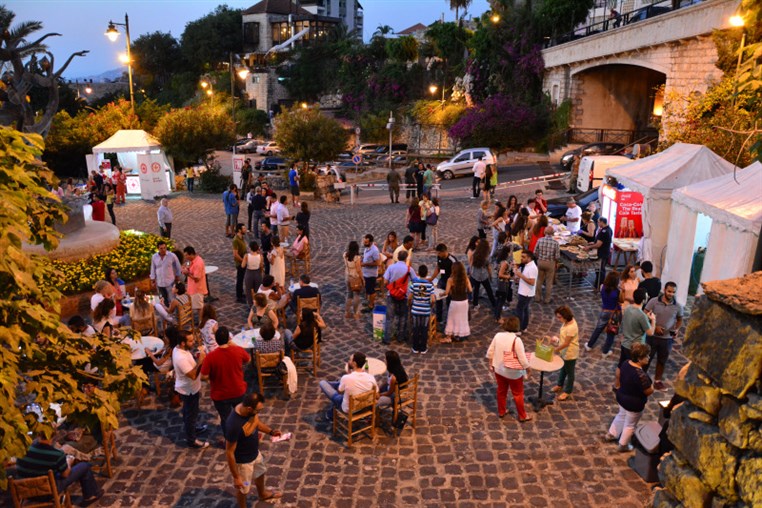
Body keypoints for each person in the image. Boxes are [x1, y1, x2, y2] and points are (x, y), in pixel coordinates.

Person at [225, 393, 283, 506]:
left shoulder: (249, 412)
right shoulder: (234, 425)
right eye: (258, 410)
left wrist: (270, 431)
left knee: (260, 472)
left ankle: (262, 494)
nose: (259, 413)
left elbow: (256, 423)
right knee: (244, 488)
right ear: (249, 409)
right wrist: (236, 477)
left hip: (255, 454)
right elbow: (229, 452)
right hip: (244, 464)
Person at [16, 432, 104, 506]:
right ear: (53, 436)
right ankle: (90, 496)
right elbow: (65, 474)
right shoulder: (56, 454)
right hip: (47, 492)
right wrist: (69, 462)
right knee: (84, 466)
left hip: (24, 491)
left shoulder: (24, 449)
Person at [199, 326, 250, 440]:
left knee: (226, 418)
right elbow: (248, 359)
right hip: (238, 390)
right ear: (228, 338)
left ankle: (230, 440)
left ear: (216, 340)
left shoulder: (211, 357)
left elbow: (203, 377)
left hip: (220, 394)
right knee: (242, 415)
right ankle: (245, 436)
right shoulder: (238, 350)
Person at [607, 343, 653, 452]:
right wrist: (652, 385)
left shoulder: (626, 363)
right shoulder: (641, 375)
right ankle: (623, 445)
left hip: (622, 397)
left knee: (621, 415)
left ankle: (611, 434)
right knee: (630, 425)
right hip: (633, 403)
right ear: (639, 359)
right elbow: (648, 391)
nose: (649, 358)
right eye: (646, 356)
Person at [486, 316, 533, 422]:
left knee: (501, 391)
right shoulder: (517, 340)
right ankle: (522, 415)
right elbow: (522, 358)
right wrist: (528, 369)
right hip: (513, 373)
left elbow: (490, 351)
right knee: (518, 393)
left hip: (499, 370)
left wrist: (490, 364)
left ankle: (501, 411)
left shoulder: (498, 335)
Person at [172, 329, 209, 448]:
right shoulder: (180, 358)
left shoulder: (179, 349)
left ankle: (192, 429)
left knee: (189, 412)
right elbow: (193, 375)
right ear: (183, 343)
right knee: (191, 415)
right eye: (190, 341)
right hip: (189, 390)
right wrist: (201, 361)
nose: (193, 343)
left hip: (189, 387)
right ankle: (192, 440)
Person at [644, 282, 683, 391]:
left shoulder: (677, 306)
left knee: (662, 360)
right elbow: (644, 313)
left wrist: (676, 329)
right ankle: (641, 378)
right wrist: (654, 326)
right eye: (669, 291)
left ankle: (657, 381)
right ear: (664, 290)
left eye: (673, 292)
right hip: (652, 336)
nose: (671, 294)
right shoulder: (654, 301)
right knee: (647, 358)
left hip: (667, 339)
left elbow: (680, 319)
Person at [319, 352, 378, 420]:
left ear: (354, 363)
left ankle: (331, 415)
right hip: (363, 407)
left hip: (348, 408)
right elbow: (377, 395)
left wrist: (347, 378)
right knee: (340, 382)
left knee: (322, 383)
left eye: (350, 360)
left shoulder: (346, 378)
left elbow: (339, 391)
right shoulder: (371, 377)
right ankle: (330, 414)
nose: (348, 361)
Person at [617, 288, 656, 387]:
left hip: (625, 343)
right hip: (636, 347)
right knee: (633, 370)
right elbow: (650, 332)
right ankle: (628, 387)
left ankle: (616, 385)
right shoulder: (641, 315)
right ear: (644, 300)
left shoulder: (628, 308)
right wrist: (653, 320)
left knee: (620, 366)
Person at [585, 271, 621, 356]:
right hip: (614, 314)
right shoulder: (617, 291)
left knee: (598, 329)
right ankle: (605, 351)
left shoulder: (602, 287)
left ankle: (590, 345)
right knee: (611, 332)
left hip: (604, 311)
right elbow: (620, 301)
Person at [383, 250, 415, 345]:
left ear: (397, 257)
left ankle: (387, 338)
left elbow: (385, 282)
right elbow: (415, 280)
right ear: (405, 259)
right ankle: (400, 337)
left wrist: (391, 288)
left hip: (391, 295)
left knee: (390, 318)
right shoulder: (409, 269)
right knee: (403, 317)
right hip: (404, 296)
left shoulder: (391, 267)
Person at [551, 305, 579, 400]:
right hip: (564, 351)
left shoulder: (571, 327)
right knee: (563, 369)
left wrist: (555, 350)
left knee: (570, 373)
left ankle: (567, 391)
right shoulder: (567, 322)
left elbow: (567, 343)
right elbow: (564, 339)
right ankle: (559, 385)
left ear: (565, 316)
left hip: (570, 353)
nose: (558, 319)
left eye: (559, 317)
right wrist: (557, 340)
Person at [468, 238, 498, 317]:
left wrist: (471, 272)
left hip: (475, 274)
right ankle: (494, 304)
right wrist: (490, 275)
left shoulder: (475, 253)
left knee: (476, 289)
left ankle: (475, 304)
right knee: (489, 290)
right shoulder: (486, 256)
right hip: (483, 275)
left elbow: (471, 263)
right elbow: (488, 267)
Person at [410, 264, 435, 354]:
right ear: (427, 273)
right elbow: (432, 299)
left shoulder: (414, 284)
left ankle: (415, 347)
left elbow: (410, 297)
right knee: (424, 328)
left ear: (418, 274)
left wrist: (411, 304)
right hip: (425, 310)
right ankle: (423, 347)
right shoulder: (430, 285)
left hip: (416, 309)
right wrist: (431, 306)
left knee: (416, 328)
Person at [444, 261, 472, 342]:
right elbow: (470, 289)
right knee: (462, 318)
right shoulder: (466, 278)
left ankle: (449, 336)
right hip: (464, 302)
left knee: (451, 318)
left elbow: (446, 292)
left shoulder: (450, 280)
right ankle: (461, 334)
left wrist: (442, 293)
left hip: (455, 302)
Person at [534, 227, 560, 304]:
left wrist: (540, 257)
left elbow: (535, 252)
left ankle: (537, 297)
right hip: (550, 263)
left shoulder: (540, 240)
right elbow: (557, 256)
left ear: (545, 232)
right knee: (549, 281)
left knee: (539, 280)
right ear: (552, 233)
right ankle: (547, 299)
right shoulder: (555, 242)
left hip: (540, 262)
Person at [150, 241, 182, 305]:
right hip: (159, 283)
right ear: (158, 249)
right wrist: (152, 279)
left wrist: (177, 276)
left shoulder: (172, 256)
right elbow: (153, 268)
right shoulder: (154, 257)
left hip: (170, 282)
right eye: (161, 248)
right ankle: (167, 313)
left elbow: (178, 266)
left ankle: (175, 312)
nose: (163, 250)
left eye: (164, 248)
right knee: (163, 300)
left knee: (172, 299)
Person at [585, 217, 613, 287]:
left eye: (598, 222)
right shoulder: (609, 229)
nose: (598, 223)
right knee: (599, 269)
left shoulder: (604, 232)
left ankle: (599, 285)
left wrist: (589, 247)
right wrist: (593, 242)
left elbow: (598, 245)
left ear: (602, 222)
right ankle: (598, 283)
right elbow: (600, 241)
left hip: (602, 253)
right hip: (606, 252)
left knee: (600, 269)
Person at [514, 251, 538, 333]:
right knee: (525, 309)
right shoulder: (527, 265)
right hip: (524, 291)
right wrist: (519, 278)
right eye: (521, 256)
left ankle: (519, 329)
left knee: (519, 310)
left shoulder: (532, 268)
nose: (521, 258)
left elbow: (532, 282)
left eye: (523, 257)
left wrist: (521, 276)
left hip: (526, 293)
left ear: (529, 258)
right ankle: (524, 327)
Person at [433, 243, 457, 324]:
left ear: (444, 251)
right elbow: (438, 268)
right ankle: (439, 319)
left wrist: (450, 286)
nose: (438, 254)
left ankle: (449, 320)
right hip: (442, 280)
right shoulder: (439, 257)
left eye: (439, 253)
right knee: (438, 299)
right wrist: (432, 278)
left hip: (450, 282)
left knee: (449, 301)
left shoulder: (452, 260)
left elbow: (455, 274)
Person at [182, 246, 208, 311]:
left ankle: (200, 320)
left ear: (191, 254)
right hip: (192, 288)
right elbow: (188, 265)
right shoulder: (190, 260)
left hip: (197, 289)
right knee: (196, 305)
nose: (185, 257)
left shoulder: (198, 264)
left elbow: (197, 279)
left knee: (199, 307)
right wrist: (186, 268)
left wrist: (187, 274)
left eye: (186, 255)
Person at [361, 234, 381, 312]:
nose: (364, 244)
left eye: (366, 242)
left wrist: (365, 264)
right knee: (368, 289)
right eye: (364, 242)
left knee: (371, 290)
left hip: (371, 274)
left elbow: (377, 263)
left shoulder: (374, 250)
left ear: (371, 242)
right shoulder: (367, 248)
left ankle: (371, 305)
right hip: (366, 273)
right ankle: (369, 302)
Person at [344, 241, 363, 319]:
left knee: (349, 294)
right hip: (355, 277)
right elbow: (359, 270)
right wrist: (362, 279)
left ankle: (347, 313)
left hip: (347, 276)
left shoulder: (345, 255)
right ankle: (355, 313)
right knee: (356, 295)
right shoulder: (357, 258)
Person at [494, 245, 514, 319]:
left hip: (501, 283)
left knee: (500, 300)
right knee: (501, 300)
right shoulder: (505, 263)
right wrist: (508, 276)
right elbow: (500, 274)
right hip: (503, 283)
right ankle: (498, 317)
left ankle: (497, 315)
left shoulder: (501, 260)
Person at [232, 224, 248, 304]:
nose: (245, 229)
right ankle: (239, 296)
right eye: (244, 228)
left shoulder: (242, 238)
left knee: (241, 278)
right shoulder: (236, 240)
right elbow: (235, 254)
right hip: (240, 263)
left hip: (243, 261)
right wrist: (243, 261)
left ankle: (241, 293)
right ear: (239, 230)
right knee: (240, 279)